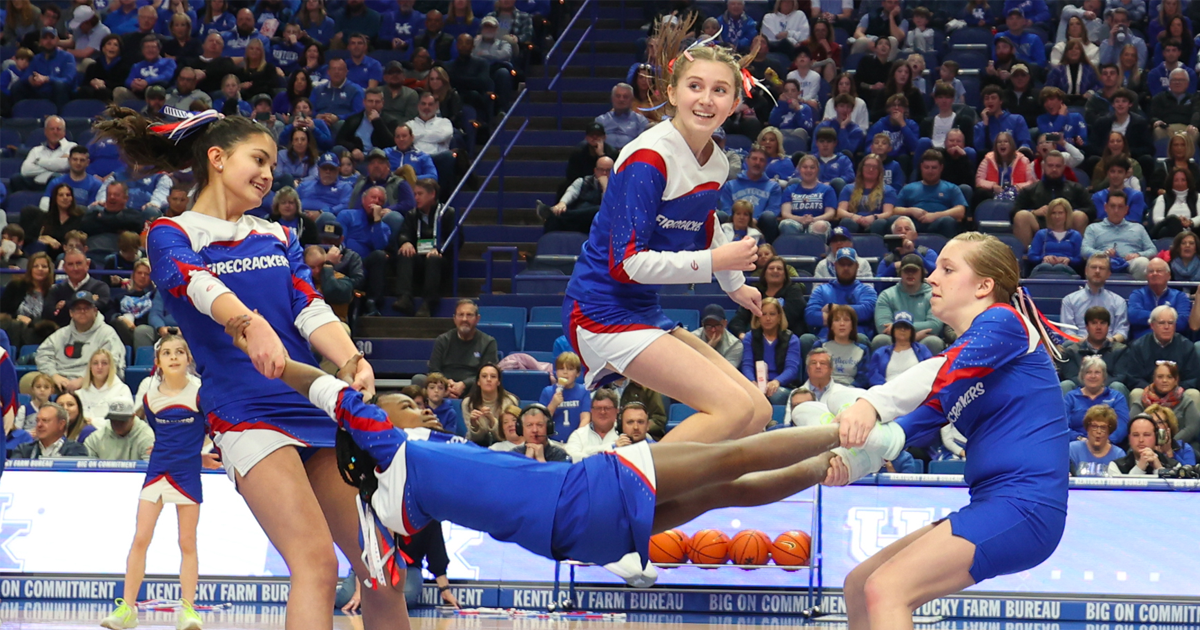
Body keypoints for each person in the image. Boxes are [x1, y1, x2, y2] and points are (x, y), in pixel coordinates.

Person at [96, 105, 410, 625]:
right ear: (217, 158)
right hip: (245, 413)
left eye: (272, 163)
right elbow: (200, 287)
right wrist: (247, 323)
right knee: (315, 562)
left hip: (311, 404)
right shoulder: (171, 232)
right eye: (257, 158)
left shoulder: (277, 235)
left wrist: (350, 356)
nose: (268, 173)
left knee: (379, 567)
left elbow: (308, 306)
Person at [827, 232, 1069, 628]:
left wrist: (871, 403)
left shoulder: (1004, 321)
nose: (931, 277)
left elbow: (940, 370)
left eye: (947, 269)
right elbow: (904, 430)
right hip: (994, 503)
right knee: (860, 584)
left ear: (984, 286)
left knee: (886, 589)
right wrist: (853, 462)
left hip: (1026, 507)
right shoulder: (972, 357)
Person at [562, 23, 773, 445]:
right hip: (600, 311)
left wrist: (733, 285)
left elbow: (704, 221)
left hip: (643, 309)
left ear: (734, 103)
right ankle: (627, 485)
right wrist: (716, 264)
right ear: (673, 93)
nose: (706, 99)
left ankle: (676, 496)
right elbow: (625, 265)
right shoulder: (647, 159)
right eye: (696, 86)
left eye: (720, 90)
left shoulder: (715, 161)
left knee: (757, 411)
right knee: (732, 409)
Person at [101, 336, 213, 630]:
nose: (174, 357)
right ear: (158, 362)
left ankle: (188, 611)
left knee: (187, 542)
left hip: (187, 473)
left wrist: (200, 456)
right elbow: (156, 428)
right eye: (167, 353)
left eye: (179, 352)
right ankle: (128, 609)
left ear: (189, 358)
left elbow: (212, 429)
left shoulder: (201, 393)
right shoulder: (149, 393)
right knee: (140, 538)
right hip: (157, 469)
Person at [34, 291, 125, 394]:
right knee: (29, 380)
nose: (82, 311)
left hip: (93, 383)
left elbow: (113, 364)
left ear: (95, 311)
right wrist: (54, 375)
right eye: (78, 309)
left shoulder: (107, 334)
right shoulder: (61, 334)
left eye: (86, 308)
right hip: (60, 382)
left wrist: (84, 380)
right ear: (71, 313)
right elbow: (42, 355)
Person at [1116, 306, 1200, 400]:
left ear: (1175, 326)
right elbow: (1133, 377)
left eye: (1170, 323)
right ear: (1152, 325)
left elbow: (1193, 378)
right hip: (1148, 394)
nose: (1166, 327)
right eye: (1161, 323)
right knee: (1136, 393)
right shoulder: (1138, 346)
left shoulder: (1187, 346)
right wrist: (1152, 389)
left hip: (1178, 395)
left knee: (1193, 394)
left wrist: (1175, 390)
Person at [872, 253, 945, 353]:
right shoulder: (887, 295)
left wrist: (899, 329)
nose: (910, 274)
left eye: (914, 271)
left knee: (933, 341)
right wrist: (912, 335)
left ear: (922, 273)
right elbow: (882, 327)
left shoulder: (933, 295)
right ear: (900, 273)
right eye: (907, 271)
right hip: (895, 340)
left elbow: (935, 325)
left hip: (922, 339)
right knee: (880, 340)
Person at [424, 300, 498, 398]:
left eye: (469, 315)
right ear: (454, 319)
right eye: (461, 315)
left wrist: (464, 384)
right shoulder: (443, 340)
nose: (464, 319)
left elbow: (487, 373)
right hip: (443, 386)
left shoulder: (488, 342)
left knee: (486, 383)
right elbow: (434, 369)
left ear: (477, 319)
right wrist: (446, 384)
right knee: (419, 379)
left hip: (473, 387)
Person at [892, 150, 967, 239]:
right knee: (894, 221)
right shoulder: (909, 188)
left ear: (941, 168)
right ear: (921, 167)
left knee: (948, 221)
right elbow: (894, 210)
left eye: (934, 168)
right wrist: (910, 211)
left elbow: (960, 211)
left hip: (939, 223)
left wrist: (935, 216)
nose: (930, 171)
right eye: (926, 167)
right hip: (913, 225)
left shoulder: (951, 188)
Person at [805, 248, 878, 340]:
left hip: (856, 339)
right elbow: (810, 315)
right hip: (824, 339)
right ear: (835, 266)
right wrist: (849, 317)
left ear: (857, 266)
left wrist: (833, 308)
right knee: (806, 339)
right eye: (842, 264)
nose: (846, 268)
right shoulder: (821, 290)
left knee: (862, 338)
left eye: (849, 264)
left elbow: (867, 312)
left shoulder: (866, 290)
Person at [740, 297, 802, 405]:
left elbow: (791, 369)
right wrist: (752, 382)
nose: (768, 318)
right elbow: (747, 365)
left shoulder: (791, 339)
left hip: (781, 386)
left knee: (775, 394)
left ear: (779, 317)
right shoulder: (750, 337)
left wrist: (777, 381)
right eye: (763, 314)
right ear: (758, 317)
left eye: (772, 314)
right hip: (756, 384)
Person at [1081, 191, 1155, 279]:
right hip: (1104, 262)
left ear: (1126, 209)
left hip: (1131, 262)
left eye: (1120, 207)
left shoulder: (1138, 228)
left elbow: (1153, 250)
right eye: (1112, 206)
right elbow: (1084, 250)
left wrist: (1138, 254)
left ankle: (1136, 292)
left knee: (1143, 262)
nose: (1116, 211)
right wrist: (1103, 254)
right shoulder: (1093, 228)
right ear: (1105, 207)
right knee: (1095, 264)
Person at [729, 258, 807, 339]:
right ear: (764, 273)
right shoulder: (756, 293)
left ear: (785, 274)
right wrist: (742, 335)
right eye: (771, 268)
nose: (775, 271)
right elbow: (738, 320)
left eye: (779, 269)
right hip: (758, 341)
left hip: (789, 339)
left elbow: (789, 318)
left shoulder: (794, 291)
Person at [1059, 306, 1129, 395]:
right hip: (1079, 395)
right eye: (1094, 323)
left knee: (1117, 386)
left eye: (1103, 323)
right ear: (1087, 327)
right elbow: (1071, 376)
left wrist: (1097, 386)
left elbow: (1121, 376)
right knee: (1066, 385)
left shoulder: (1121, 350)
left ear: (1108, 326)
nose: (1098, 327)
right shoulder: (1072, 351)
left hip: (1108, 395)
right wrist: (1091, 387)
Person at [1130, 362, 1200, 451]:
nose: (1164, 380)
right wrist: (1152, 444)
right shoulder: (1142, 400)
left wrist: (1170, 443)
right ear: (1154, 379)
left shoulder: (1185, 401)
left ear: (1176, 380)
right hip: (1146, 446)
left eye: (1169, 377)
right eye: (1160, 377)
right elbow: (1133, 426)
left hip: (1180, 445)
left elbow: (1192, 427)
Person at [1064, 354, 1131, 442]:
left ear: (1104, 376)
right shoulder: (1070, 397)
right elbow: (1063, 425)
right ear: (1082, 376)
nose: (1093, 376)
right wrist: (1079, 439)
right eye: (1088, 372)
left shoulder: (1117, 397)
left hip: (1109, 444)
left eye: (1097, 372)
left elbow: (1123, 424)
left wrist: (1108, 440)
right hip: (1078, 444)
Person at [536, 157, 611, 235]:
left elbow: (607, 209)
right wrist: (562, 203)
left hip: (599, 222)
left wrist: (605, 188)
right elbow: (572, 192)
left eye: (608, 170)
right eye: (601, 170)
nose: (604, 173)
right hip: (579, 220)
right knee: (555, 219)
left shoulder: (617, 187)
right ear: (595, 170)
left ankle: (551, 214)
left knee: (599, 210)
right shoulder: (583, 181)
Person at [1127, 258, 1192, 340]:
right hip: (1142, 343)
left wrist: (1153, 321)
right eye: (1151, 271)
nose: (1154, 274)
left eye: (1159, 271)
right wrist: (1167, 321)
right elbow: (1133, 315)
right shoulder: (1138, 294)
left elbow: (1182, 322)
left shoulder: (1179, 296)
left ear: (1168, 276)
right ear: (1146, 276)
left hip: (1173, 343)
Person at [867, 311, 933, 386]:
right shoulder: (880, 353)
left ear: (912, 331)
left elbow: (929, 373)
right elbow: (874, 376)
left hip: (916, 391)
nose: (902, 330)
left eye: (906, 327)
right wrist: (885, 389)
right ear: (893, 330)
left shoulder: (922, 350)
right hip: (887, 392)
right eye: (899, 327)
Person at [779, 155, 838, 236]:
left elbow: (830, 213)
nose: (808, 170)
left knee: (820, 225)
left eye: (812, 167)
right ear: (799, 169)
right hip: (796, 222)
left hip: (817, 221)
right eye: (805, 167)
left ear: (817, 170)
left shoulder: (827, 190)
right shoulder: (790, 189)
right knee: (785, 224)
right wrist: (800, 219)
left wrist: (812, 219)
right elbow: (785, 213)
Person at [836, 154, 895, 234]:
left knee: (880, 223)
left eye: (875, 167)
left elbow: (888, 213)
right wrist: (854, 216)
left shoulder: (888, 190)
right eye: (867, 166)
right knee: (847, 221)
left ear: (880, 171)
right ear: (861, 168)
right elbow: (840, 211)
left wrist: (874, 217)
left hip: (875, 222)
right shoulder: (848, 188)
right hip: (854, 221)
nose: (871, 169)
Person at [462, 364, 518, 444]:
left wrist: (492, 420)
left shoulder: (510, 402)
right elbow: (473, 439)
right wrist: (475, 425)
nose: (488, 379)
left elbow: (506, 437)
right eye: (484, 376)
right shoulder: (467, 403)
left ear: (498, 382)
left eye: (493, 376)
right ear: (478, 382)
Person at [78, 347, 134, 427]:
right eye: (95, 363)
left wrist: (93, 422)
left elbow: (124, 421)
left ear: (110, 366)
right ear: (90, 367)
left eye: (104, 363)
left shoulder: (122, 390)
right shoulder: (79, 393)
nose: (99, 367)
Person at [817, 304, 870, 388]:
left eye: (846, 320)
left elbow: (863, 379)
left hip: (850, 390)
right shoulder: (820, 346)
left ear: (852, 325)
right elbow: (812, 372)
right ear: (831, 326)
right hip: (823, 389)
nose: (842, 324)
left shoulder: (862, 350)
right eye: (837, 320)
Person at [84, 399, 155, 461]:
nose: (117, 424)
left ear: (133, 417)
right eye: (114, 420)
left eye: (122, 421)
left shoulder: (147, 437)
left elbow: (150, 467)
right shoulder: (97, 438)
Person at [1028, 198, 1084, 276]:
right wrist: (1043, 258)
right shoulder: (1041, 234)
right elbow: (1032, 256)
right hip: (1043, 267)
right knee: (1045, 266)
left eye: (1060, 213)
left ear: (1067, 214)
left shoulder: (1075, 235)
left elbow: (1080, 258)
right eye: (1053, 213)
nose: (1057, 216)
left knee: (1060, 267)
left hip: (1067, 269)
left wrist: (1069, 260)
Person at [11, 403, 88, 459]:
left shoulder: (76, 449)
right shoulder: (24, 449)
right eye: (37, 421)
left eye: (45, 420)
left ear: (61, 424)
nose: (39, 425)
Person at [1108, 414, 1178, 475]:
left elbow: (1172, 489)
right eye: (1135, 435)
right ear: (1129, 438)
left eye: (1146, 435)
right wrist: (1139, 468)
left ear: (1156, 438)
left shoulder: (1174, 466)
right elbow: (1125, 490)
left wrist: (1159, 469)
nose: (1141, 440)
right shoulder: (1116, 466)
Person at [1069, 405, 1126, 475]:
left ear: (1109, 431)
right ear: (1088, 428)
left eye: (1103, 427)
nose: (1098, 431)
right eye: (1094, 426)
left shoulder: (1118, 455)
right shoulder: (1072, 450)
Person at [564, 388, 619, 461]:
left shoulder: (623, 433)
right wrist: (612, 446)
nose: (602, 412)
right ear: (591, 411)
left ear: (617, 411)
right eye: (598, 408)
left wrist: (586, 452)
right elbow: (572, 458)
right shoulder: (578, 435)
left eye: (607, 408)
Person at [1150, 168, 1200, 239]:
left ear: (1188, 181)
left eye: (1183, 180)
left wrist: (1190, 222)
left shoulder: (1197, 197)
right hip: (1168, 232)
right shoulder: (1162, 198)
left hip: (1191, 234)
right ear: (1171, 182)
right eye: (1176, 180)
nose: (1180, 183)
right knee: (1172, 220)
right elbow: (1157, 219)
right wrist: (1175, 221)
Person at [692, 304, 743, 369]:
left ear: (725, 323)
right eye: (709, 326)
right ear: (702, 324)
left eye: (718, 325)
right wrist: (708, 348)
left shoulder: (735, 345)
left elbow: (727, 372)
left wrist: (709, 351)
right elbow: (690, 368)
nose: (713, 330)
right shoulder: (692, 338)